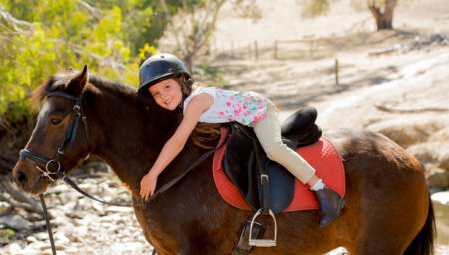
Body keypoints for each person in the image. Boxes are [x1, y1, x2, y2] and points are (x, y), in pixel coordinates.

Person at [137, 53, 344, 228]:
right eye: (156, 93)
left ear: (182, 81)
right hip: (242, 121)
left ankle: (321, 188)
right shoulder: (184, 106)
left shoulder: (196, 102)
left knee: (273, 149)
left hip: (260, 112)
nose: (163, 96)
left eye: (167, 87)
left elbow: (178, 142)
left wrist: (153, 174)